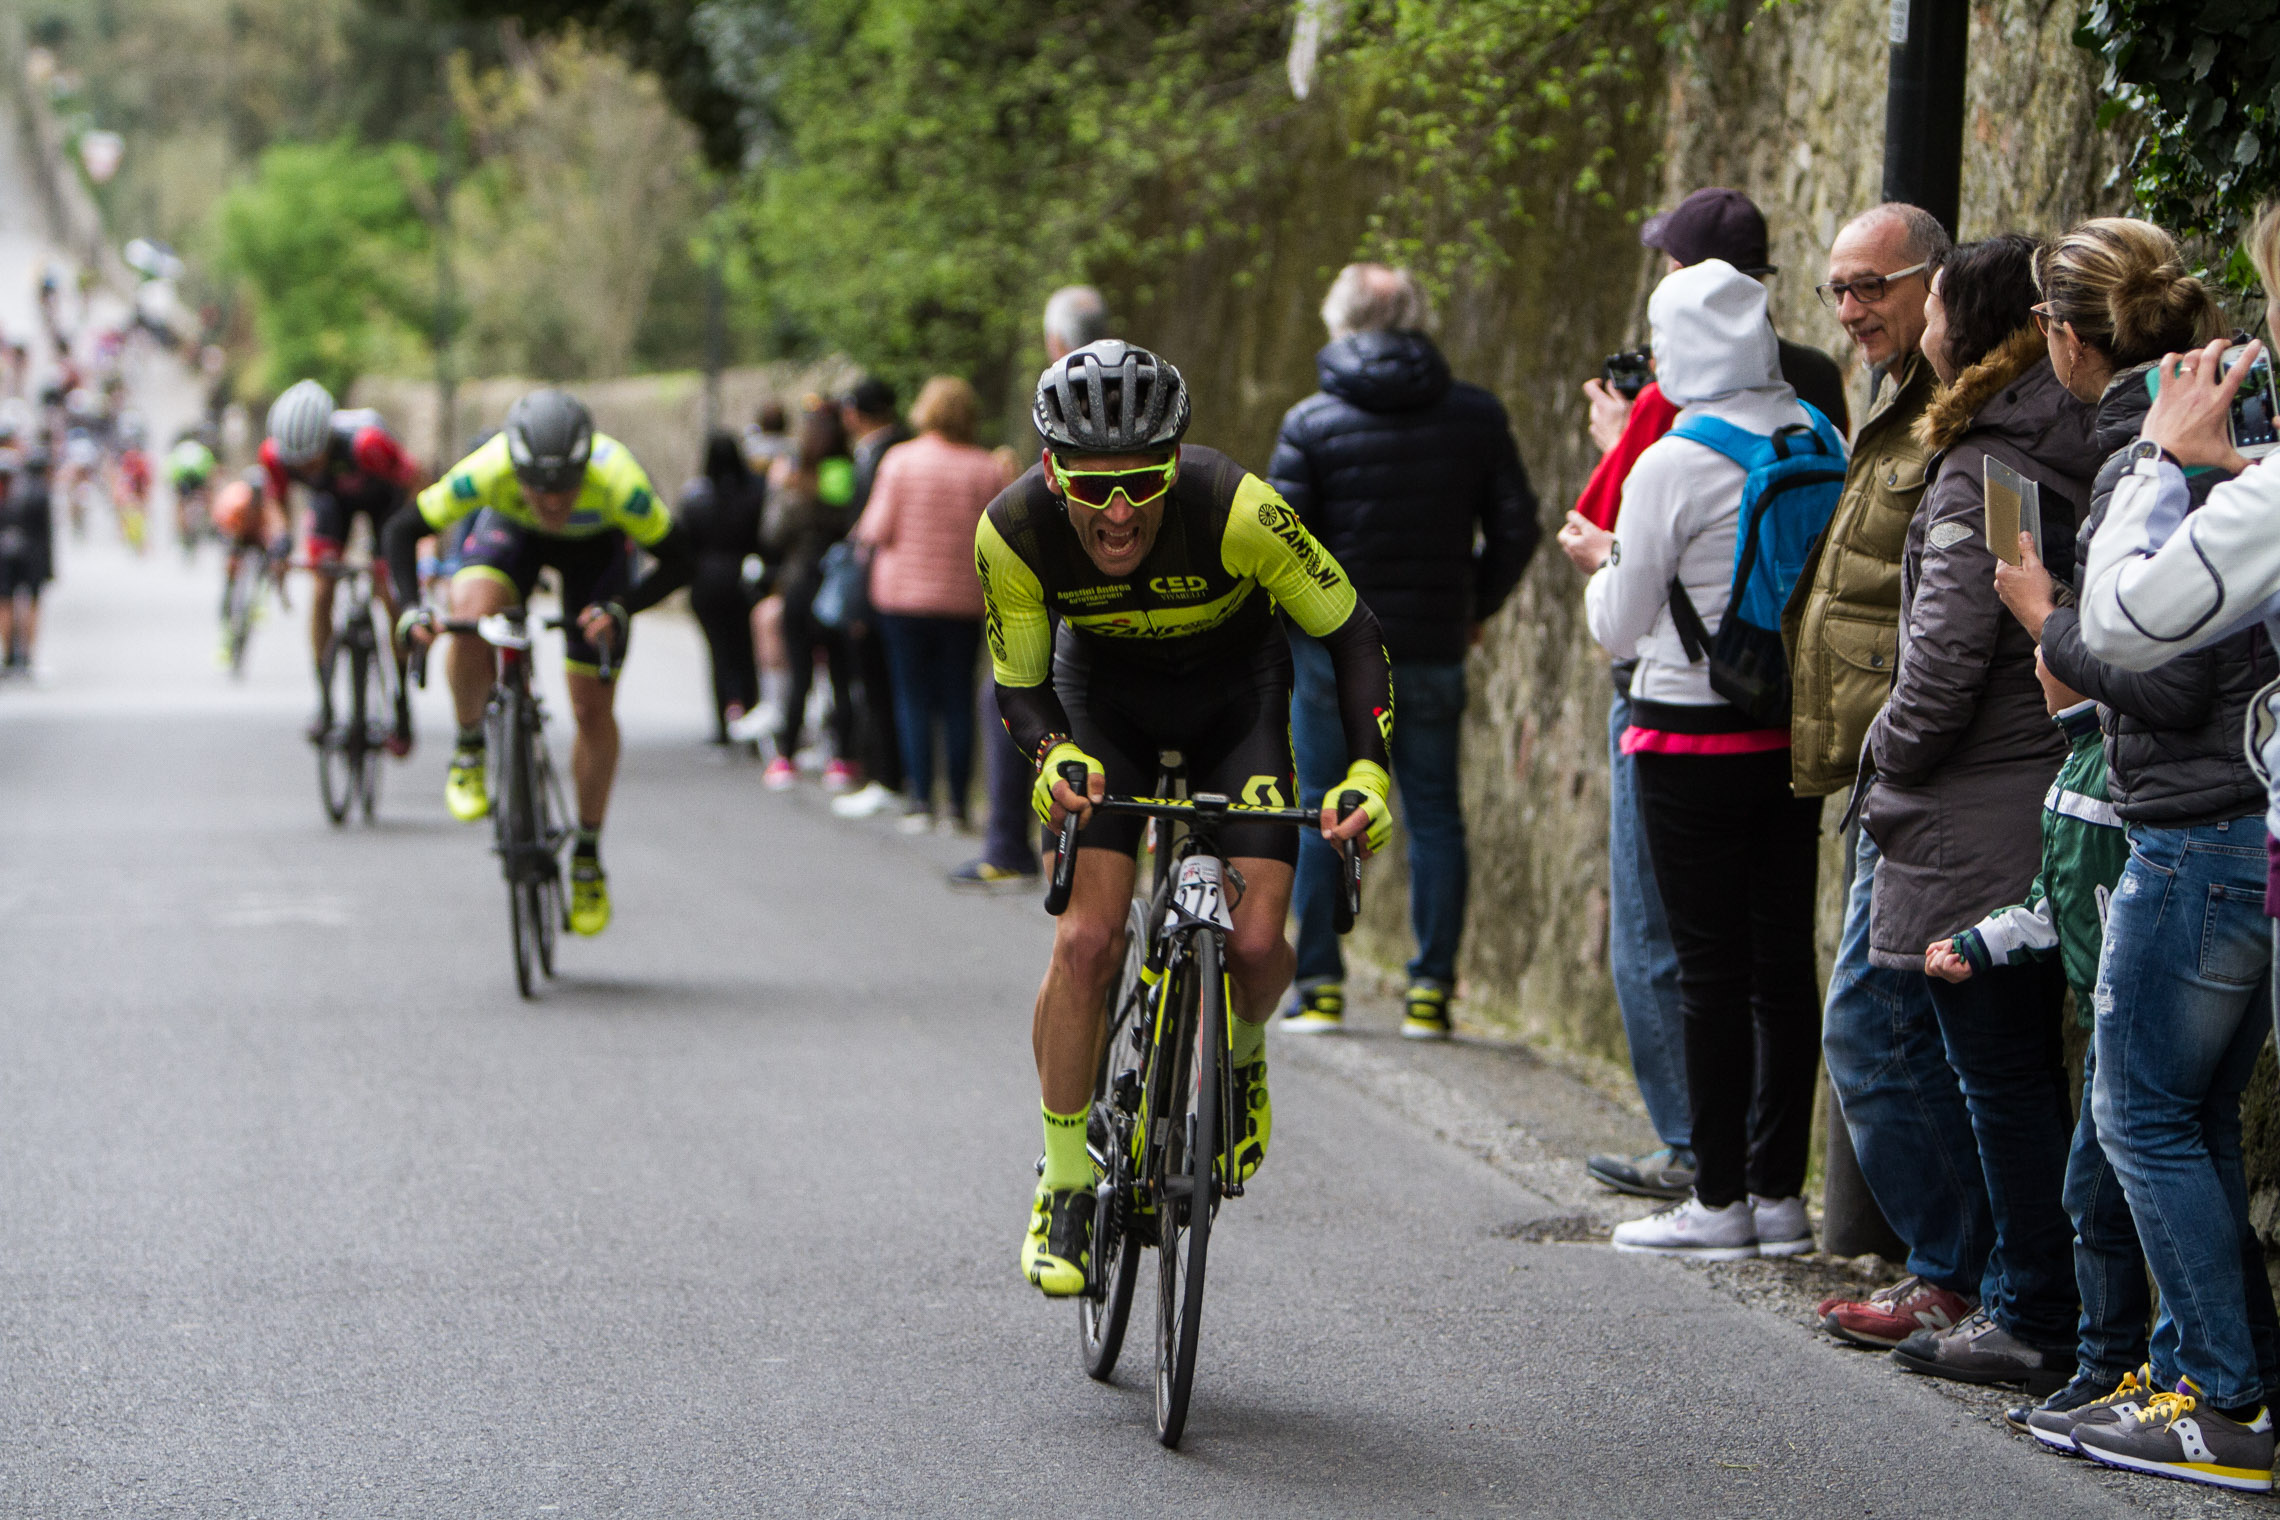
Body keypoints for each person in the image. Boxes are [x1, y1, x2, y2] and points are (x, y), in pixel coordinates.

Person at [981, 339, 1394, 1296]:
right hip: (1103, 707)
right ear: (1052, 469)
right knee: (1087, 940)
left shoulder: (1238, 508)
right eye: (1089, 486)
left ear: (1175, 467)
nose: (1117, 512)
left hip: (1235, 700)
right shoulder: (1013, 532)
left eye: (1142, 482)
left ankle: (1241, 1057)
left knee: (1253, 947)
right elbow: (1022, 684)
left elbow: (1351, 630)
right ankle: (1067, 1179)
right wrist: (1053, 757)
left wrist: (1368, 774)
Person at [1992, 217, 2275, 1447]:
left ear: (2065, 336)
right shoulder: (2250, 428)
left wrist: (2043, 613)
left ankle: (2220, 1392)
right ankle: (2199, 1375)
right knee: (2187, 1116)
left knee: (2139, 1116)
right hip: (2241, 831)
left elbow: (2149, 676)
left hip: (2191, 837)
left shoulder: (2144, 459)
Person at [1570, 187, 1848, 1198]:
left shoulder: (1673, 458)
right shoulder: (1820, 433)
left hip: (1685, 731)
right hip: (1789, 728)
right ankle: (1777, 1194)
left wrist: (1604, 567)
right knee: (1783, 967)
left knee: (1706, 970)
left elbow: (1616, 616)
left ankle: (1716, 1196)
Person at [1859, 234, 2097, 1389]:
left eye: (1939, 304)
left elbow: (1949, 657)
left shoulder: (1989, 465)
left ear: (1973, 324)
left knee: (1992, 1072)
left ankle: (2023, 1303)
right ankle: (2032, 1296)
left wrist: (1884, 761)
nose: (1928, 326)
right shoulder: (2057, 441)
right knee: (2022, 1073)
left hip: (1972, 808)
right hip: (2026, 788)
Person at [1799, 205, 1994, 1350]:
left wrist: (1895, 756)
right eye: (1836, 289)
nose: (1850, 309)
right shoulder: (1908, 410)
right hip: (1901, 766)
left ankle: (1966, 1272)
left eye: (1872, 285)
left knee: (1881, 1032)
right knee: (1901, 1032)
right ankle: (1965, 1270)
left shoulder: (1972, 435)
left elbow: (1967, 624)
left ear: (1940, 286)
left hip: (1929, 776)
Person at [1267, 263, 1539, 1039]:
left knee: (1325, 800)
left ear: (1340, 322)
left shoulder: (1311, 421)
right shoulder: (1476, 416)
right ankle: (1430, 993)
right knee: (1435, 813)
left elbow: (1281, 539)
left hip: (1329, 650)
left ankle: (1318, 985)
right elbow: (1516, 526)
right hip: (1434, 643)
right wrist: (1472, 606)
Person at [386, 390, 693, 937]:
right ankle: (470, 745)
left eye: (565, 490)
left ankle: (588, 857)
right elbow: (402, 529)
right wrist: (411, 610)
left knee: (591, 709)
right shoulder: (490, 467)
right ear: (516, 467)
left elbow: (681, 558)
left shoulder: (620, 481)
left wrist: (622, 610)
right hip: (512, 536)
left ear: (584, 468)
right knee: (471, 612)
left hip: (596, 553)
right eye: (540, 489)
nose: (553, 504)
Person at [949, 285, 1111, 889]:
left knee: (1015, 693)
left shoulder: (1063, 393)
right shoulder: (1138, 383)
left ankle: (1011, 844)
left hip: (1064, 588)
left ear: (1053, 341)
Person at [855, 377, 1009, 829]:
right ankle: (959, 803)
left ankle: (921, 799)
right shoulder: (985, 467)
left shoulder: (900, 461)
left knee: (912, 697)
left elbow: (874, 530)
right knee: (959, 697)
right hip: (964, 600)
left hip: (903, 600)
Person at [262, 380, 421, 753]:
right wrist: (281, 543)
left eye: (312, 459)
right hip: (333, 504)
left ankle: (401, 706)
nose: (306, 467)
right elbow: (276, 501)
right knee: (321, 589)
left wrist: (415, 542)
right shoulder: (276, 455)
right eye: (297, 463)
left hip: (386, 502)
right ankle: (326, 703)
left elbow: (416, 482)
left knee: (388, 595)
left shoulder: (367, 445)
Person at [761, 400, 861, 790]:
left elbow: (772, 534)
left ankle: (785, 756)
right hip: (837, 582)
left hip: (801, 581)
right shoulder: (849, 471)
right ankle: (842, 758)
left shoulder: (794, 475)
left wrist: (785, 490)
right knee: (839, 673)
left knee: (799, 671)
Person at [821, 378, 911, 811]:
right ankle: (897, 778)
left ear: (856, 413)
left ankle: (887, 776)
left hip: (885, 587)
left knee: (879, 685)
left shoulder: (882, 457)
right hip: (918, 587)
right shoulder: (895, 448)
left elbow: (868, 534)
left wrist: (857, 602)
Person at [678, 432, 766, 744]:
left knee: (718, 653)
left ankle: (722, 727)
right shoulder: (755, 492)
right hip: (743, 580)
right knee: (745, 653)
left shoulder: (695, 497)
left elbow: (684, 543)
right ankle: (751, 719)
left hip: (707, 583)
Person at [0, 446, 48, 673]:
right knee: (30, 601)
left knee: (6, 601)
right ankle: (26, 656)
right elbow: (46, 533)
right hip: (33, 555)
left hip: (6, 553)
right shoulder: (36, 491)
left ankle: (9, 655)